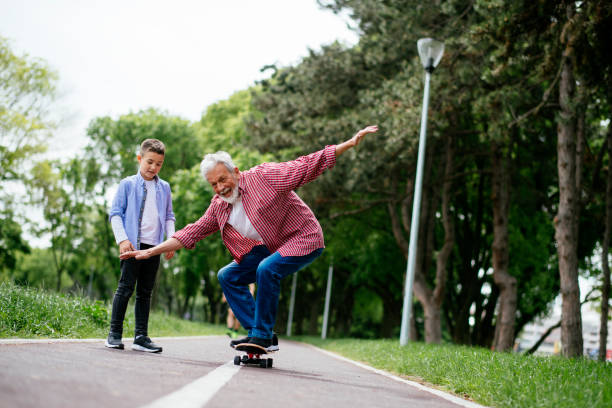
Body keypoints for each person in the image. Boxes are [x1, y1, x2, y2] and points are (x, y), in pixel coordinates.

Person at [120, 125, 379, 351]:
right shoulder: (219, 206)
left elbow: (305, 166)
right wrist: (149, 252)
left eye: (223, 179)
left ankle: (262, 335)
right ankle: (262, 334)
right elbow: (191, 232)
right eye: (214, 184)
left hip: (303, 237)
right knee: (227, 276)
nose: (221, 187)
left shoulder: (264, 177)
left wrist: (348, 144)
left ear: (235, 171)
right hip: (270, 246)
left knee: (267, 269)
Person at [105, 138, 176, 353]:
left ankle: (141, 337)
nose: (154, 167)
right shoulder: (127, 184)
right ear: (140, 158)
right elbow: (115, 214)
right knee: (125, 288)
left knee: (145, 292)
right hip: (132, 246)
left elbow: (169, 216)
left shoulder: (164, 187)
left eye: (159, 164)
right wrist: (122, 239)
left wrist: (171, 240)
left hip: (154, 247)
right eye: (150, 162)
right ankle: (114, 334)